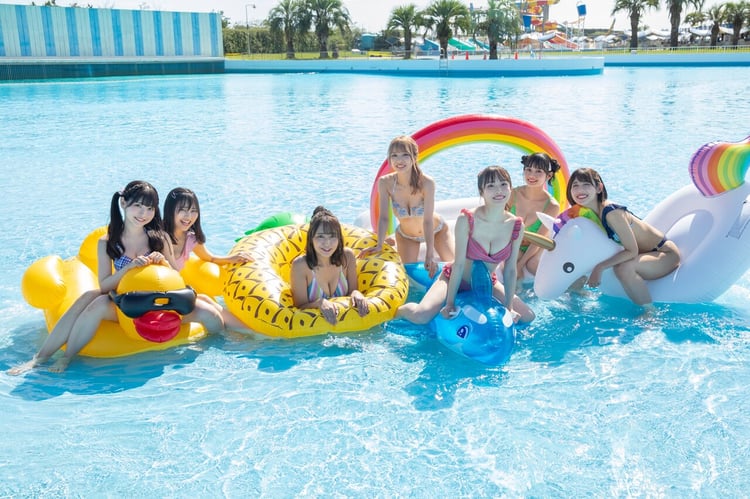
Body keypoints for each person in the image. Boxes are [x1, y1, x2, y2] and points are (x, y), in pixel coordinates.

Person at [8, 181, 224, 375]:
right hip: (127, 305)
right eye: (138, 206)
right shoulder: (108, 242)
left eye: (150, 208)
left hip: (161, 304)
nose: (144, 213)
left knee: (212, 315)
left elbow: (176, 278)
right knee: (91, 300)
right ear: (123, 203)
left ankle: (215, 348)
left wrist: (164, 265)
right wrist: (128, 268)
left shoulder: (160, 238)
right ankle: (53, 358)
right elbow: (104, 285)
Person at [397, 166, 535, 325]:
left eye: (503, 184)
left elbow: (510, 269)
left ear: (510, 188)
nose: (499, 190)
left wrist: (509, 307)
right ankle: (400, 311)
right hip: (453, 278)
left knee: (528, 316)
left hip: (486, 282)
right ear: (481, 191)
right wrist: (449, 303)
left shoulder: (515, 225)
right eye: (491, 186)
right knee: (420, 316)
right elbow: (459, 264)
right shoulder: (468, 219)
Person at [567, 167, 680, 309]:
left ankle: (650, 312)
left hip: (664, 254)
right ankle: (578, 293)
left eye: (586, 184)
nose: (580, 190)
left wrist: (599, 268)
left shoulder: (611, 213)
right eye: (575, 185)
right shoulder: (586, 214)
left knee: (623, 268)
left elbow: (632, 251)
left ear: (599, 188)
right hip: (642, 255)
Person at [362, 135, 454, 279]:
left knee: (453, 269)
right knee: (408, 278)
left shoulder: (427, 183)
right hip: (407, 236)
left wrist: (429, 254)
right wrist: (379, 244)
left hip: (436, 230)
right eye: (394, 155)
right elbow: (384, 217)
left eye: (405, 155)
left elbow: (428, 220)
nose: (399, 160)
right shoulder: (385, 183)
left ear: (414, 157)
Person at [163, 187, 252, 331]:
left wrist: (231, 259)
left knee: (207, 299)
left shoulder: (190, 238)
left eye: (193, 210)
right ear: (170, 210)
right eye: (183, 210)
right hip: (162, 297)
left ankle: (253, 334)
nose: (188, 216)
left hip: (176, 293)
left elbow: (210, 258)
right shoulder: (157, 237)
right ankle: (227, 339)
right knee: (210, 313)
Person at [291, 206, 370, 325]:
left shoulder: (347, 257)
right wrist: (319, 303)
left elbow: (352, 290)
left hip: (347, 326)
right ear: (311, 238)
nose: (327, 243)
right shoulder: (301, 266)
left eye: (332, 236)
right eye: (320, 236)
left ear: (339, 238)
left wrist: (356, 293)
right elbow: (298, 308)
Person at [508, 152, 561, 287]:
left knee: (531, 265)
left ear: (548, 176)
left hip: (535, 246)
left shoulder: (552, 206)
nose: (532, 175)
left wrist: (520, 265)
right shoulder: (512, 194)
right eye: (528, 169)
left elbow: (538, 240)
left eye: (538, 171)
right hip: (513, 243)